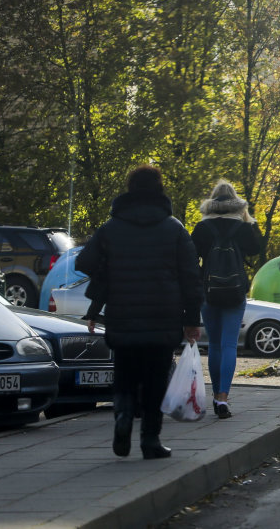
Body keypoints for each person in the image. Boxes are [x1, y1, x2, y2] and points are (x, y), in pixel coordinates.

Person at [76, 164, 202, 460]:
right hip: (163, 316)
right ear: (159, 190)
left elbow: (84, 261)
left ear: (130, 190)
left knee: (125, 372)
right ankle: (150, 440)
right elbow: (190, 278)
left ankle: (123, 414)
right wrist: (191, 320)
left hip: (122, 314)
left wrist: (109, 271)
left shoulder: (110, 229)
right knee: (156, 378)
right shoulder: (174, 228)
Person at [191, 180, 262, 420]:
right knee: (230, 343)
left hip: (208, 291)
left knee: (215, 345)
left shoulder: (202, 228)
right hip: (234, 290)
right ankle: (223, 397)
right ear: (236, 202)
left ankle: (214, 394)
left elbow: (191, 256)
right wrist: (249, 221)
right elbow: (257, 248)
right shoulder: (242, 227)